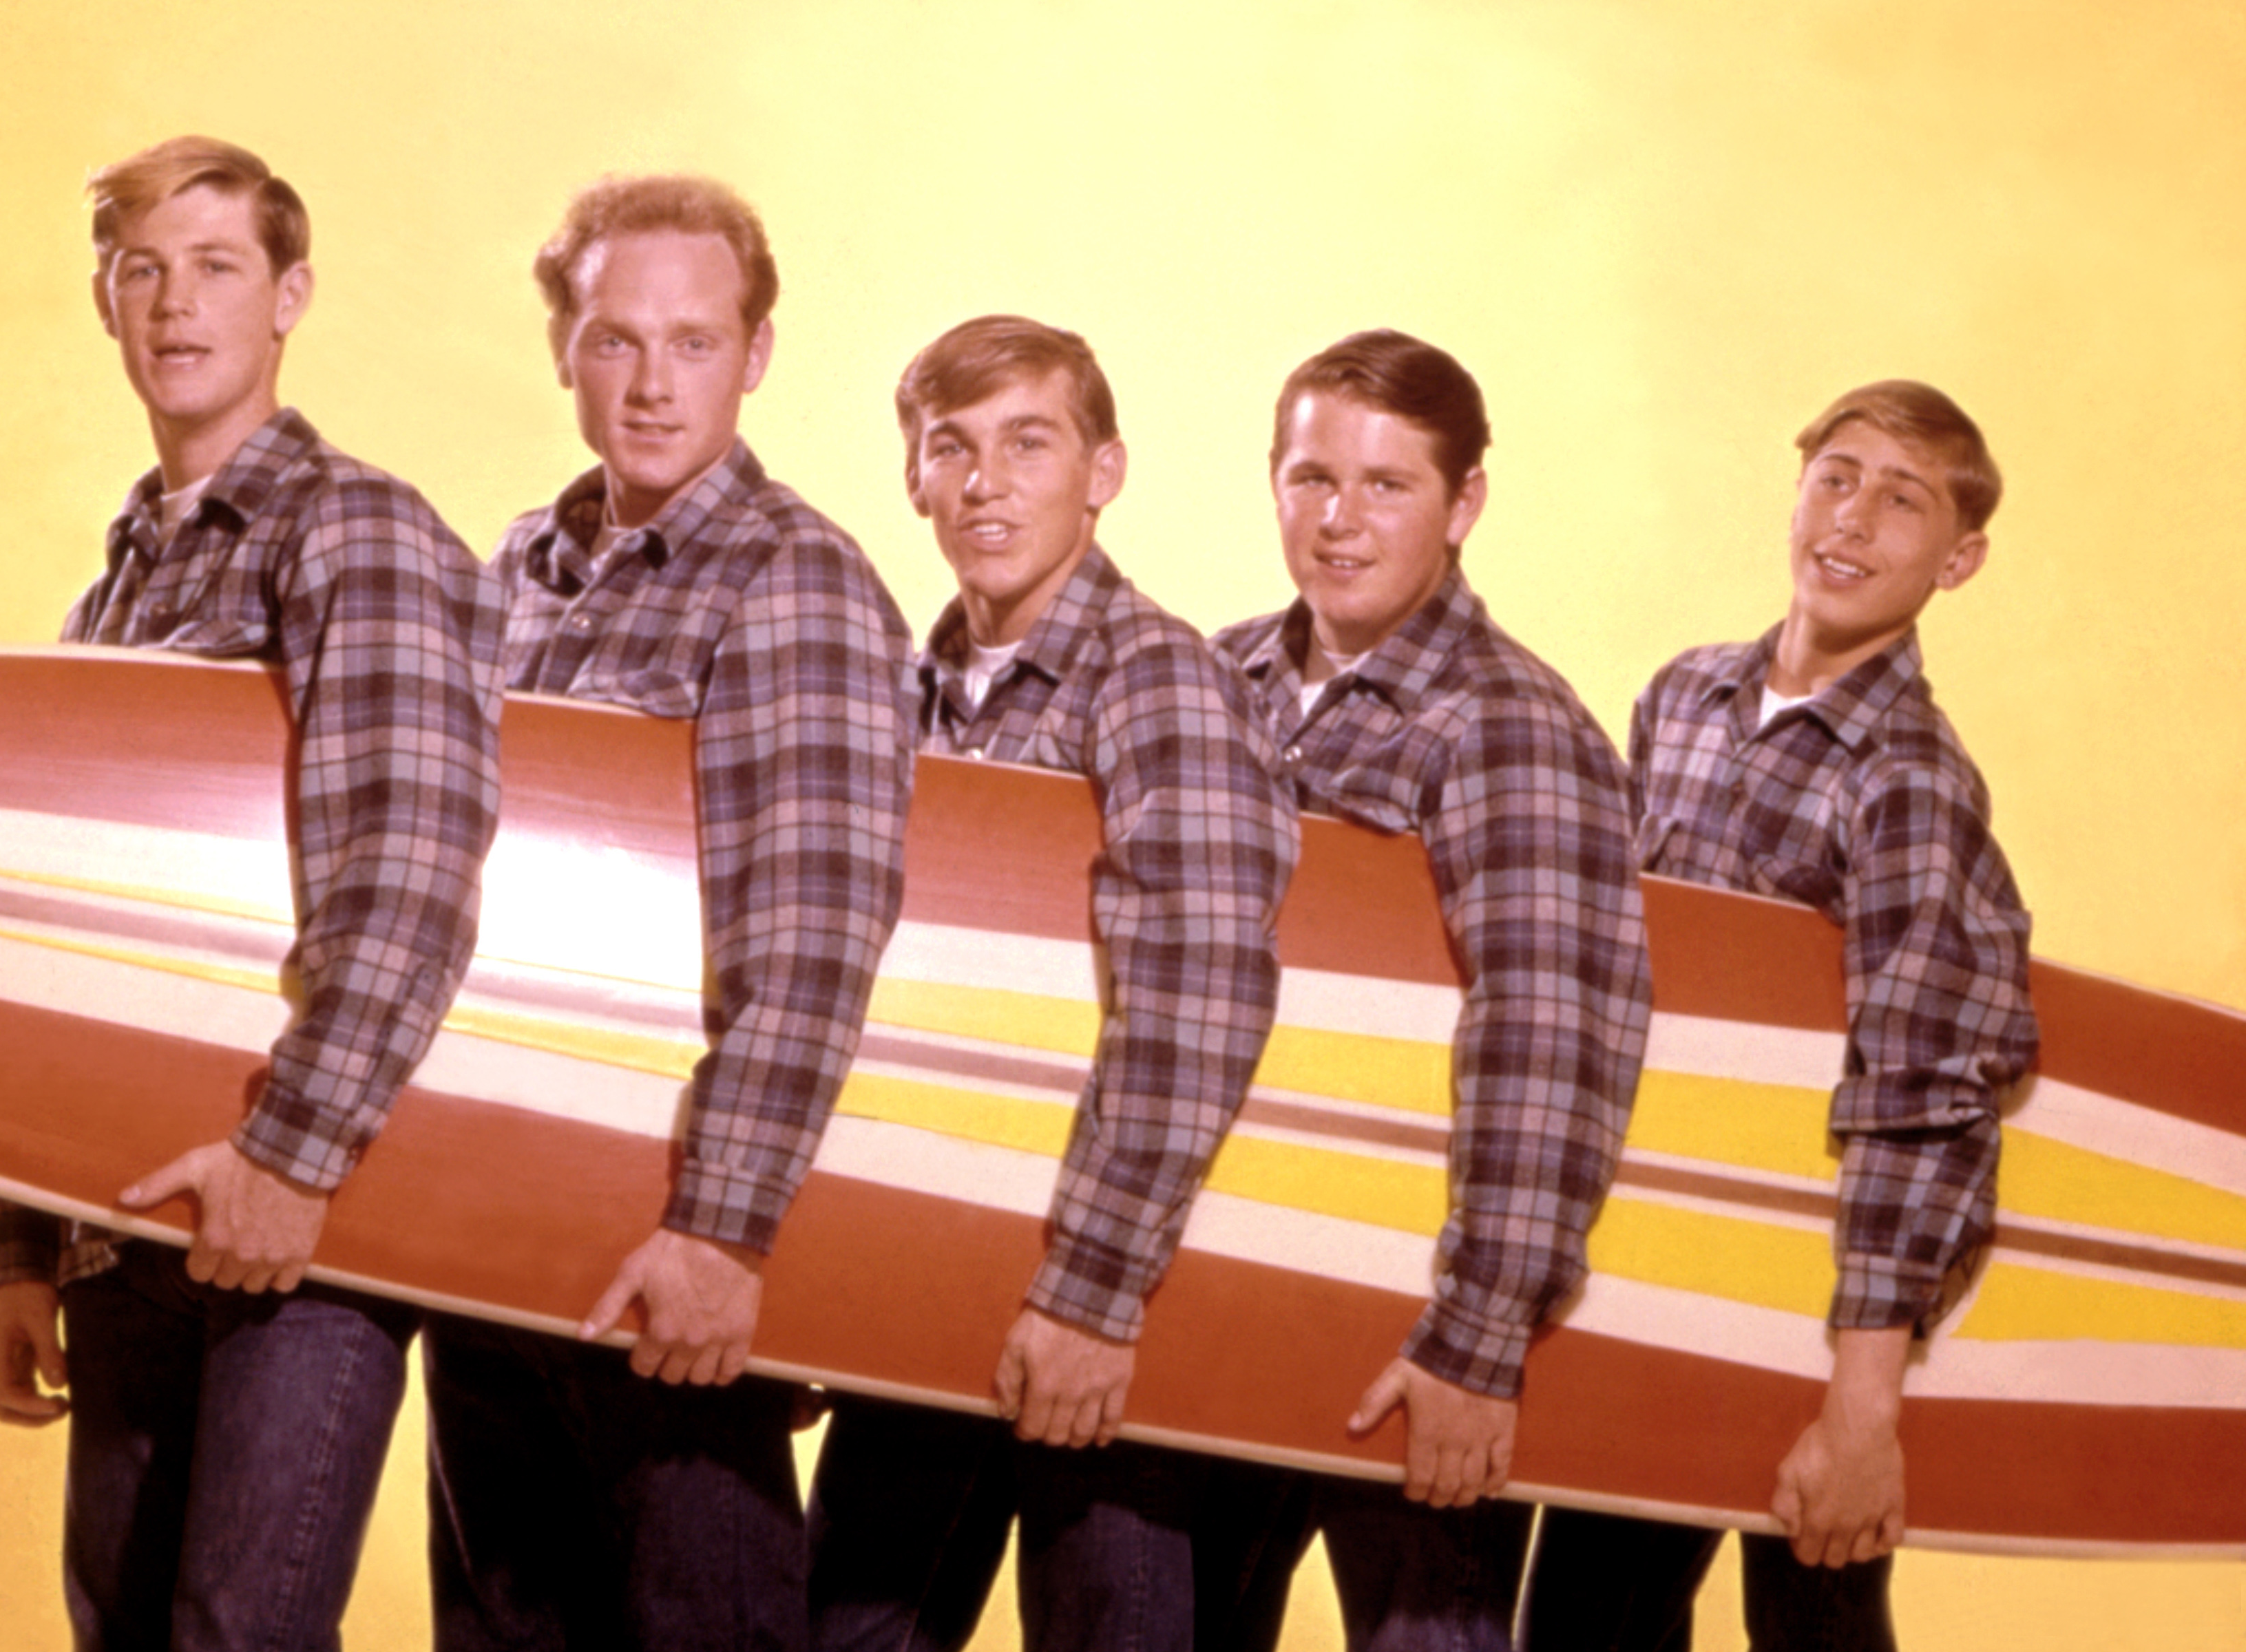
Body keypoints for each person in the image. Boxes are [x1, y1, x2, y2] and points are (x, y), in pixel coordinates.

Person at [0, 135, 505, 1651]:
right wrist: (21, 1252)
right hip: (120, 1216)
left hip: (300, 1224)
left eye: (216, 267)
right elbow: (50, 940)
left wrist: (295, 1157)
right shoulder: (108, 599)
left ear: (290, 298)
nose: (176, 303)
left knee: (236, 1636)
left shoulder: (357, 531)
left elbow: (410, 869)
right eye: (145, 269)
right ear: (104, 301)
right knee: (124, 1631)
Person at [421, 173, 916, 1650]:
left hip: (669, 1240)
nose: (652, 383)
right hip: (490, 1224)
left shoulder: (797, 582)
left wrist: (725, 1233)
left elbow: (815, 937)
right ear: (564, 347)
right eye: (618, 339)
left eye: (695, 343)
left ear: (757, 354)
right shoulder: (511, 573)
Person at [806, 316, 1303, 1652]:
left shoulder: (1161, 683)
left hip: (1105, 1302)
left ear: (1105, 471)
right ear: (913, 477)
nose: (985, 484)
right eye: (951, 449)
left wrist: (1091, 1293)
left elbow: (1197, 997)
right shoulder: (897, 697)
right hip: (920, 1288)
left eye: (1029, 444)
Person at [1518, 381, 2038, 1652]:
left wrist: (1864, 1406)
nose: (1854, 519)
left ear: (1958, 560)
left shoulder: (1909, 781)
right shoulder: (1685, 699)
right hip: (1660, 1263)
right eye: (1838, 477)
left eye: (1904, 500)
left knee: (1813, 1593)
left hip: (1812, 1281)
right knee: (1592, 1614)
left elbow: (1925, 1090)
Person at [1212, 330, 1652, 1651]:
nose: (1339, 521)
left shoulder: (1506, 726)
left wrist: (1477, 1338)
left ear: (1464, 505)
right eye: (1311, 478)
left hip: (1412, 1317)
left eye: (1388, 485)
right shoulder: (1213, 678)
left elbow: (1552, 1037)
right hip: (1230, 1288)